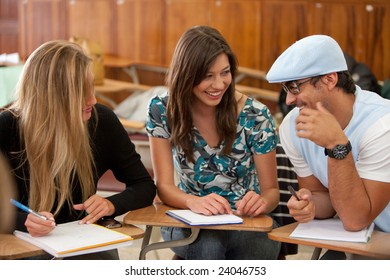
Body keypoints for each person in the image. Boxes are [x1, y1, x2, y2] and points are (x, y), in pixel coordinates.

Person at [0, 40, 156, 259]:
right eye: (79, 93)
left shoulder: (102, 121)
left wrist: (111, 204)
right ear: (51, 97)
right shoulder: (6, 127)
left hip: (84, 241)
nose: (92, 99)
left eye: (91, 87)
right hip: (22, 244)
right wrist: (20, 220)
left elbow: (144, 186)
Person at [146, 25, 281, 260]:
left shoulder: (255, 115)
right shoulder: (162, 109)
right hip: (187, 215)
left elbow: (271, 192)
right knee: (207, 243)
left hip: (244, 221)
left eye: (225, 72)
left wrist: (261, 202)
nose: (219, 85)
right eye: (208, 76)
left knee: (247, 247)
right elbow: (164, 186)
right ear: (186, 74)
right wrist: (193, 202)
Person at [266, 35, 390, 259]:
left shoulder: (382, 124)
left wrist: (336, 146)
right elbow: (324, 198)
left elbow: (355, 219)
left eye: (294, 87)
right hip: (352, 241)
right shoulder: (293, 127)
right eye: (286, 88)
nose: (289, 100)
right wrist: (310, 204)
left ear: (330, 80)